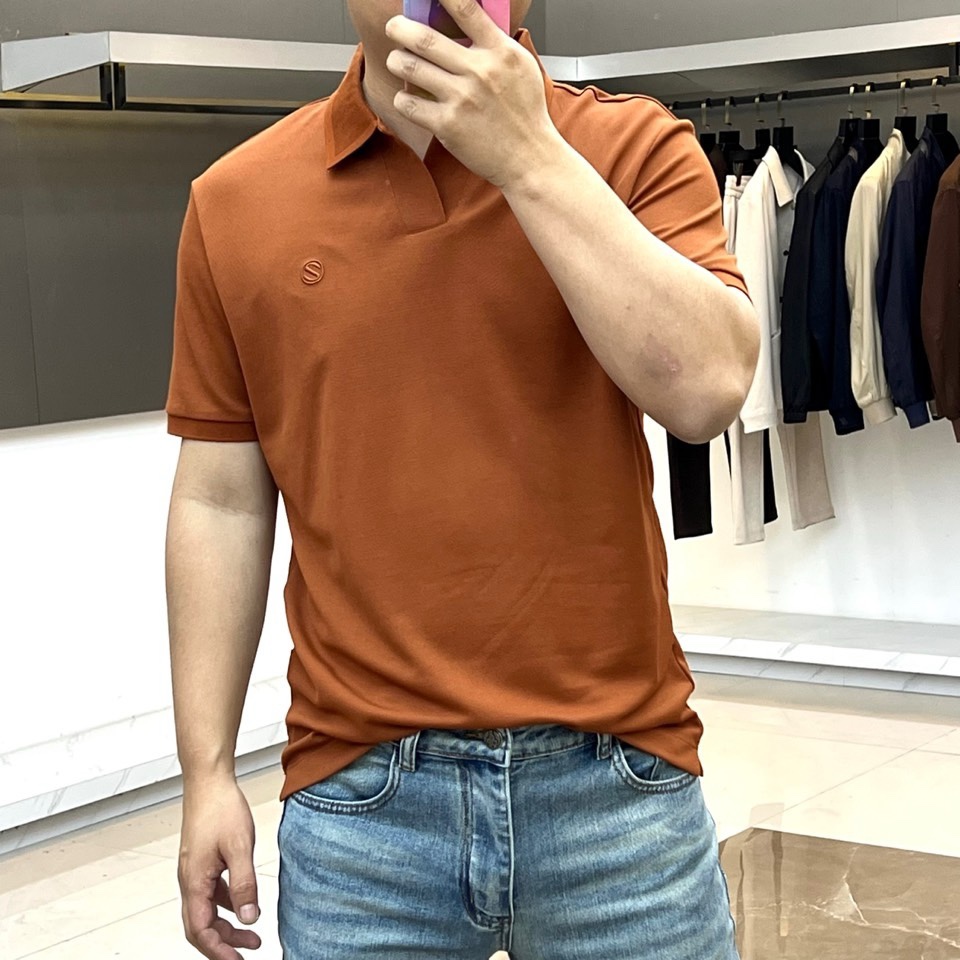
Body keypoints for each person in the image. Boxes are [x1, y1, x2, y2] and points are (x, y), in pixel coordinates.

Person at [164, 0, 759, 958]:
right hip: (363, 806)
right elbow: (219, 499)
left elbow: (708, 390)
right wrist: (206, 773)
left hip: (618, 788)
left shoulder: (630, 146)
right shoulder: (237, 200)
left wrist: (528, 158)